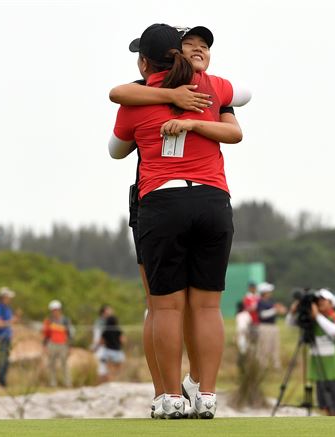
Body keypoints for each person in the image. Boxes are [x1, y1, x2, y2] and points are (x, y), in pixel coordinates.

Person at [109, 24, 241, 419]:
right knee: (207, 307)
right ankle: (207, 396)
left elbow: (116, 150)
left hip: (162, 200)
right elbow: (239, 105)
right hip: (212, 200)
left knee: (164, 309)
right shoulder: (213, 89)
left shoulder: (135, 99)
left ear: (144, 61)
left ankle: (169, 396)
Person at [289, 288, 335, 416]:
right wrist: (293, 312)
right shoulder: (313, 320)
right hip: (319, 368)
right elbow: (290, 324)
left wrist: (317, 316)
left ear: (331, 303)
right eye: (318, 300)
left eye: (324, 300)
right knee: (325, 407)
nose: (320, 302)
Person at [42, 300, 73, 388]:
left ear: (60, 310)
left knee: (64, 364)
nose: (55, 311)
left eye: (57, 309)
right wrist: (44, 345)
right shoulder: (48, 321)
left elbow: (69, 334)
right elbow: (46, 335)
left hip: (63, 344)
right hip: (52, 344)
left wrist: (70, 346)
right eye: (53, 310)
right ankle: (53, 383)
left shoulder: (65, 320)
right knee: (51, 364)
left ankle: (68, 383)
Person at [256, 282, 286, 370]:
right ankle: (263, 366)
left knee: (275, 347)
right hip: (264, 326)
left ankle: (276, 366)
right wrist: (275, 310)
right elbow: (262, 315)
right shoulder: (260, 302)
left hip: (273, 326)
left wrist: (279, 309)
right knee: (264, 348)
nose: (270, 293)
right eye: (268, 291)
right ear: (264, 292)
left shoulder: (270, 301)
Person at [0, 287, 16, 387]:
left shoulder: (8, 309)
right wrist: (10, 322)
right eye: (8, 297)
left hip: (7, 337)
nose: (9, 299)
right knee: (2, 359)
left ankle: (3, 380)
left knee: (6, 360)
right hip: (1, 337)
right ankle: (1, 381)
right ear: (3, 297)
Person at [100, 314, 125, 382]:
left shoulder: (105, 331)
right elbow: (122, 341)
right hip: (117, 351)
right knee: (118, 369)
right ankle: (117, 380)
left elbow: (101, 342)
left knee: (109, 369)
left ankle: (110, 381)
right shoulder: (118, 330)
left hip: (108, 351)